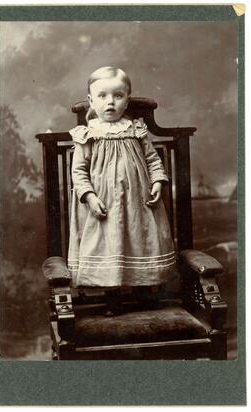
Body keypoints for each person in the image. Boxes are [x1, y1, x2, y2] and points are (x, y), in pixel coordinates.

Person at [68, 66, 177, 314]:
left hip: (138, 202)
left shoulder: (137, 129)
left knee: (141, 241)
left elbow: (152, 160)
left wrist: (158, 181)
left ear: (127, 101)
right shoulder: (87, 134)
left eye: (118, 96)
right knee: (109, 244)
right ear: (91, 101)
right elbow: (79, 172)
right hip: (103, 205)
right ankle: (112, 296)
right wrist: (90, 196)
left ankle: (145, 292)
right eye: (102, 96)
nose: (110, 102)